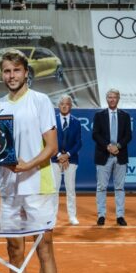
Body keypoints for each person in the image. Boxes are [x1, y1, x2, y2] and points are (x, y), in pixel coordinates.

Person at [0, 49, 59, 273]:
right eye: (6, 71)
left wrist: (28, 165)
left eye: (16, 70)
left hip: (39, 185)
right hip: (9, 187)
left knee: (44, 250)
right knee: (14, 249)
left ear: (26, 72)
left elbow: (51, 147)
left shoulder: (41, 101)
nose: (11, 76)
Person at [92, 88, 132, 226]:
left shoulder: (125, 116)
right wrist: (108, 146)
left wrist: (118, 146)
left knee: (120, 187)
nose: (112, 99)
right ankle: (101, 216)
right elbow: (95, 134)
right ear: (106, 99)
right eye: (109, 97)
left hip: (120, 155)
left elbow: (128, 135)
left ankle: (120, 216)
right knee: (101, 187)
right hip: (104, 155)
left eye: (114, 97)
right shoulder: (99, 115)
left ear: (118, 98)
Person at [51, 95, 81, 226]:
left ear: (71, 106)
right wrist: (59, 155)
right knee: (54, 189)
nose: (64, 106)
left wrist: (67, 155)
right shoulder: (52, 120)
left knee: (70, 189)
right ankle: (52, 216)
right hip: (54, 158)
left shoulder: (76, 122)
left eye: (67, 104)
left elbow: (78, 143)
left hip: (71, 159)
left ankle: (72, 216)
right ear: (58, 106)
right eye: (62, 104)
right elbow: (49, 140)